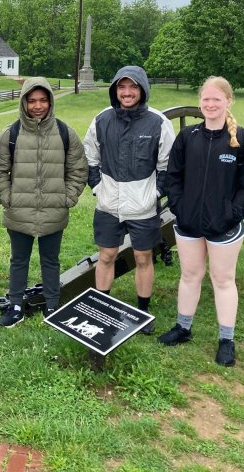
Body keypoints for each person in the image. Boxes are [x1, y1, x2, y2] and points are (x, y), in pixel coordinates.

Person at [157, 76, 244, 367]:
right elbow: (174, 177)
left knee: (223, 280)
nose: (211, 104)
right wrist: (180, 207)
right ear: (200, 102)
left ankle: (226, 340)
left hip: (224, 226)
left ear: (229, 101)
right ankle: (183, 328)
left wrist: (231, 214)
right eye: (206, 99)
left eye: (217, 99)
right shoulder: (188, 137)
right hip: (189, 222)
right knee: (190, 276)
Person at [83, 66, 175, 334]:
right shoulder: (101, 119)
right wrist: (97, 186)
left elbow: (167, 164)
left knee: (143, 257)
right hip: (108, 204)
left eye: (133, 87)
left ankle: (143, 311)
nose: (127, 92)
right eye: (122, 87)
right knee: (107, 255)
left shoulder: (158, 123)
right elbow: (91, 155)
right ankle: (101, 306)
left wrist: (155, 193)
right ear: (115, 90)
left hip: (143, 206)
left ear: (142, 90)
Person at [0, 77, 88, 327]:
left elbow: (78, 169)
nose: (37, 105)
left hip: (54, 210)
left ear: (50, 102)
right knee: (18, 260)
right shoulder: (11, 134)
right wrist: (7, 197)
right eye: (32, 100)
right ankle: (14, 306)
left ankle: (52, 304)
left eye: (43, 100)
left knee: (51, 260)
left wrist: (68, 197)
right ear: (24, 102)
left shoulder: (65, 133)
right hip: (19, 210)